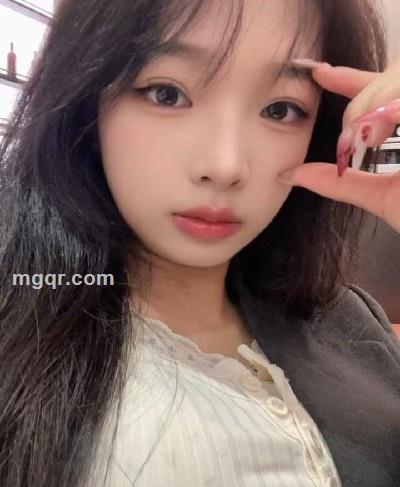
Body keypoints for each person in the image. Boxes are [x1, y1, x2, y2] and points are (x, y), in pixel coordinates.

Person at [0, 0, 399, 486]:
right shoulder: (23, 315)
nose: (225, 165)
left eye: (282, 109)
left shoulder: (347, 318)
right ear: (86, 100)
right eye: (166, 94)